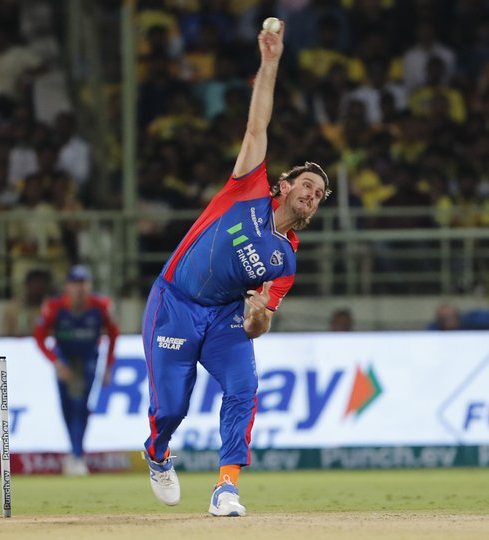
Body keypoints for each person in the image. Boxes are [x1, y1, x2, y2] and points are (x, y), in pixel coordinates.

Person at [140, 21, 330, 517]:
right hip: (175, 304)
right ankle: (157, 453)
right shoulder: (247, 186)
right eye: (306, 184)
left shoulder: (285, 259)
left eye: (319, 194)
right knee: (171, 409)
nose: (311, 193)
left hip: (225, 316)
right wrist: (270, 64)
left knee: (244, 387)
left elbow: (260, 321)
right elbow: (256, 127)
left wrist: (258, 316)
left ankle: (226, 488)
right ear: (285, 185)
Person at [34, 265, 119, 475]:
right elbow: (39, 337)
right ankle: (74, 453)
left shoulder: (101, 305)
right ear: (67, 287)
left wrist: (108, 365)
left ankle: (77, 455)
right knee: (67, 407)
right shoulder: (54, 307)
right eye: (75, 284)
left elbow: (113, 334)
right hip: (64, 359)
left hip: (89, 357)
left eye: (83, 284)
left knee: (81, 405)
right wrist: (56, 362)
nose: (80, 289)